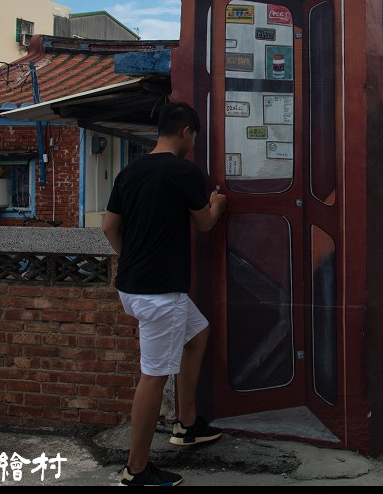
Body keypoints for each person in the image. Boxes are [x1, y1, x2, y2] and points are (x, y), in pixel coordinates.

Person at [102, 101, 228, 487]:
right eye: (194, 137)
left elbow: (109, 228)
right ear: (187, 132)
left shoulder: (130, 171)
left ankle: (187, 424)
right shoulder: (184, 171)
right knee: (153, 377)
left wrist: (134, 260)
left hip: (133, 287)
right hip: (161, 294)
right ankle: (136, 469)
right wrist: (218, 204)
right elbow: (205, 223)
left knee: (198, 332)